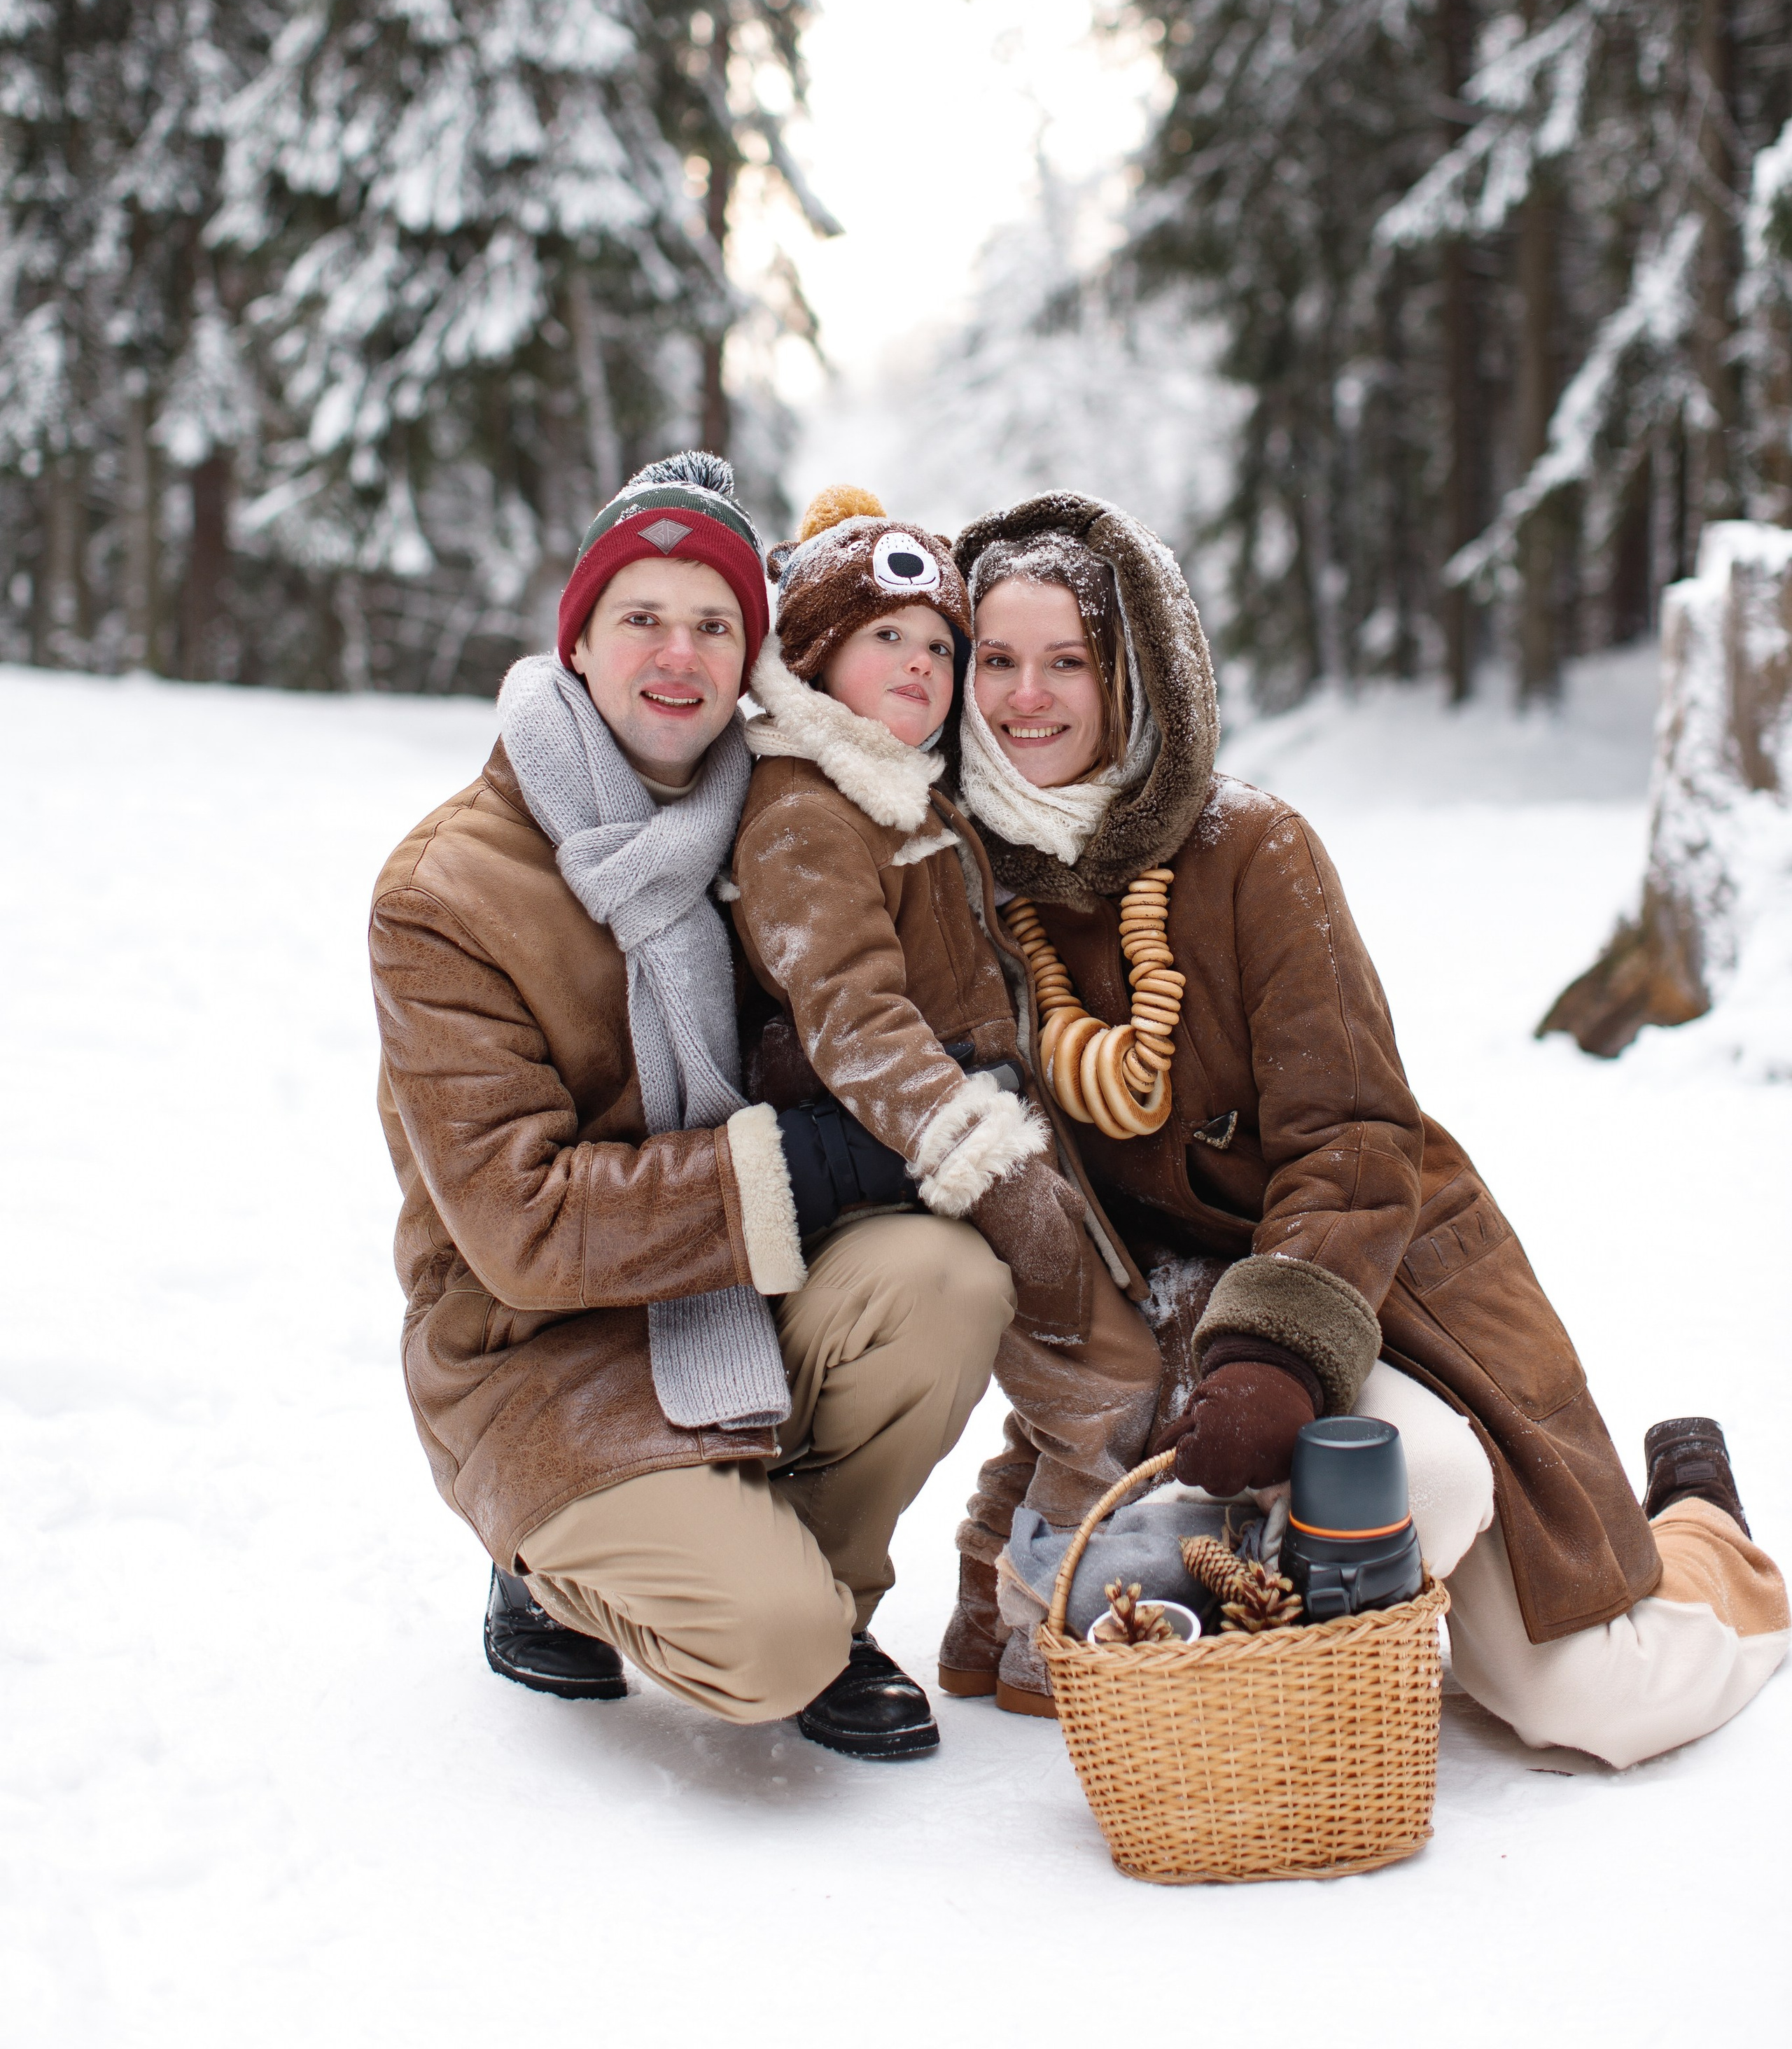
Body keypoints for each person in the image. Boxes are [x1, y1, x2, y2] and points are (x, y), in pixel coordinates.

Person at [937, 491, 1788, 1768]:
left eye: (1068, 659)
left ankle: (1706, 1539)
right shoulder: (960, 884)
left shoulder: (1250, 851)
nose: (1026, 698)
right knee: (1283, 1543)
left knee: (1577, 1699)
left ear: (1133, 670)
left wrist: (1279, 1355)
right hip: (1165, 1332)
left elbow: (1355, 1138)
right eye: (996, 660)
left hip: (1374, 1289)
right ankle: (1336, 1662)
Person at [369, 452, 1013, 1761]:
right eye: (643, 620)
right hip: (538, 1353)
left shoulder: (768, 817)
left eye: (715, 624)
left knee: (946, 1278)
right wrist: (818, 1164)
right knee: (762, 1646)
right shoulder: (447, 893)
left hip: (738, 1302)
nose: (680, 656)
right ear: (581, 641)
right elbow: (520, 1226)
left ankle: (821, 1595)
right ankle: (560, 1570)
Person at [731, 487, 1168, 1716]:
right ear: (815, 655)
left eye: (939, 646)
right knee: (1105, 1375)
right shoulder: (804, 810)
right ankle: (1054, 1638)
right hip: (912, 1170)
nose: (923, 666)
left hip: (975, 1141)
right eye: (888, 640)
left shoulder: (900, 792)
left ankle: (991, 1611)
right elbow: (857, 1023)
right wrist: (991, 1163)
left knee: (1085, 1371)